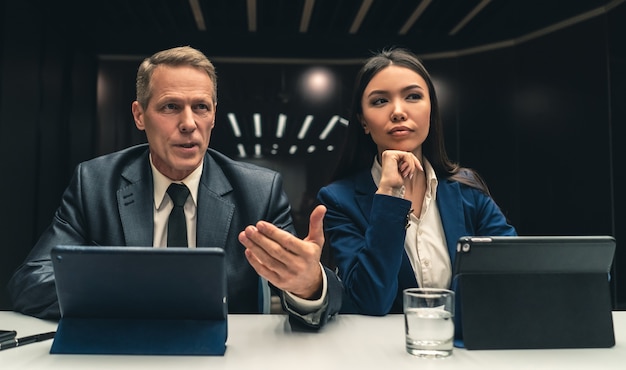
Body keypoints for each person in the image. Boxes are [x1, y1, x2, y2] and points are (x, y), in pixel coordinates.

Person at [8, 45, 341, 329]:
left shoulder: (258, 190)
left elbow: (304, 293)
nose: (188, 123)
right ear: (140, 115)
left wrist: (308, 285)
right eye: (170, 107)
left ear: (213, 115)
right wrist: (144, 294)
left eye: (201, 107)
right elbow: (30, 283)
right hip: (122, 351)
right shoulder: (94, 183)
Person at [316, 47, 516, 316]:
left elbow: (514, 273)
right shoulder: (338, 200)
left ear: (431, 111)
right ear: (363, 122)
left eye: (413, 97)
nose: (398, 112)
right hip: (380, 352)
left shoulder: (469, 190)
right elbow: (370, 301)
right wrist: (388, 195)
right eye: (379, 101)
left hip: (462, 346)